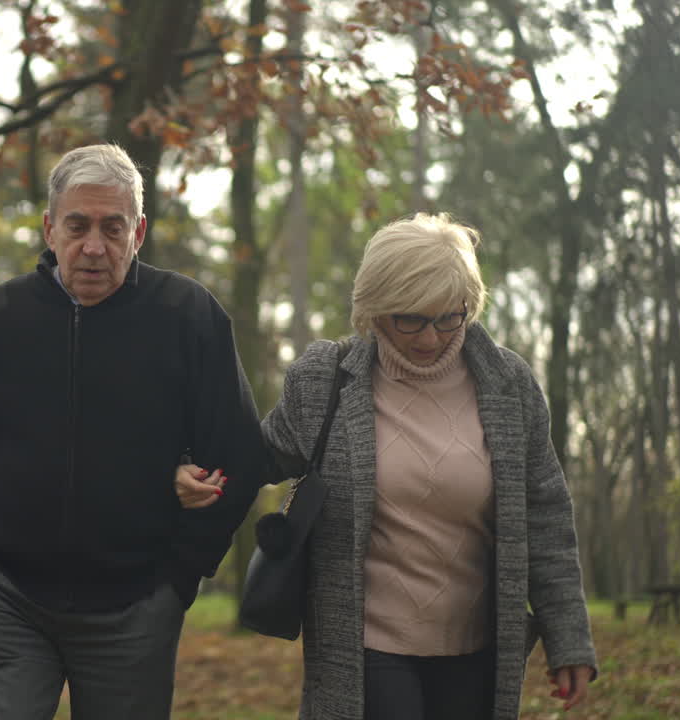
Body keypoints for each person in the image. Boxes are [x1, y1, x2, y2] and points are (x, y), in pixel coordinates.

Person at [175, 212, 597, 720]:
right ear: (374, 310)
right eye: (409, 318)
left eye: (448, 317)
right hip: (366, 647)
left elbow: (545, 515)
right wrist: (190, 468)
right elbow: (254, 455)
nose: (429, 337)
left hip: (478, 647)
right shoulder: (326, 379)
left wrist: (568, 638)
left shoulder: (508, 385)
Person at [0, 143, 267, 720]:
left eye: (113, 228)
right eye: (78, 226)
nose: (93, 247)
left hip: (137, 605)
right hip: (7, 593)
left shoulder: (189, 317)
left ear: (139, 232)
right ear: (49, 228)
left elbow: (238, 454)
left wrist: (181, 573)